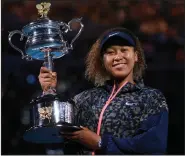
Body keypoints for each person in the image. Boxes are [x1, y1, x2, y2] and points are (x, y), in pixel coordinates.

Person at [38, 27, 168, 154]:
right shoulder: (84, 99)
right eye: (110, 52)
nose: (118, 57)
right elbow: (53, 134)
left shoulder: (150, 98)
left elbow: (153, 146)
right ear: (102, 61)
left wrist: (101, 143)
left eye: (124, 50)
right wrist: (49, 92)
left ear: (135, 56)